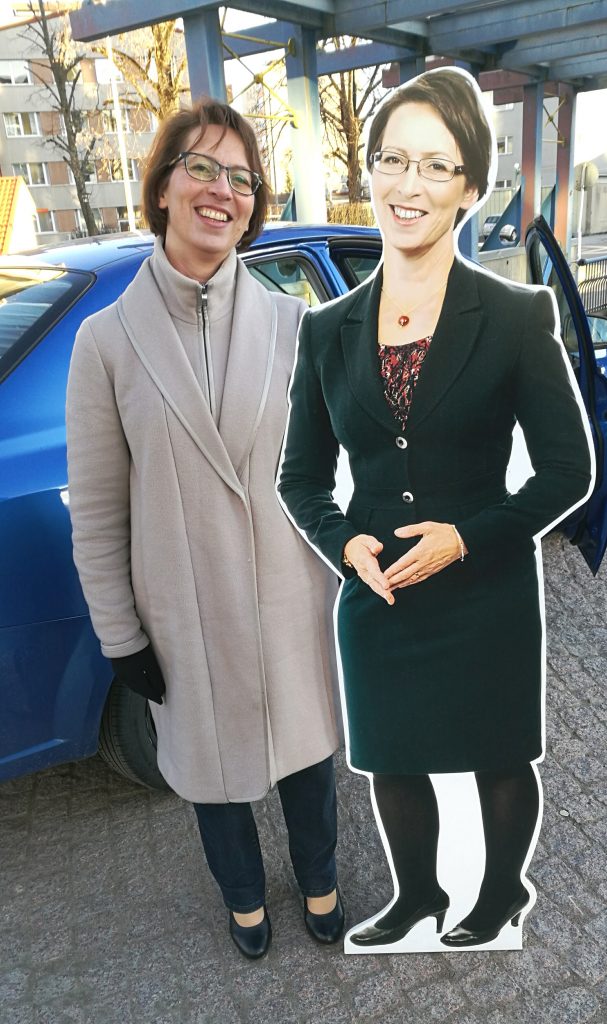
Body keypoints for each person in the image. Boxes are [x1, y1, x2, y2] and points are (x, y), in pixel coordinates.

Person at [278, 68, 593, 949]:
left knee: (498, 752)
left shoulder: (515, 315)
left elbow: (568, 470)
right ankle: (416, 895)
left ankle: (498, 894)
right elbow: (300, 477)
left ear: (467, 187)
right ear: (370, 172)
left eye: (434, 165)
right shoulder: (324, 330)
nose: (407, 184)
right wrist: (345, 545)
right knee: (393, 754)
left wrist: (466, 538)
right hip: (379, 596)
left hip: (484, 587)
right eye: (391, 160)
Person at [66, 99, 344, 960]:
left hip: (289, 600)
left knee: (307, 761)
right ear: (161, 188)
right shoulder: (105, 342)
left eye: (242, 178)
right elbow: (100, 512)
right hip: (186, 613)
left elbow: (335, 475)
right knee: (214, 778)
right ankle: (243, 899)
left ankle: (321, 879)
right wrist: (120, 635)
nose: (223, 190)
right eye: (201, 167)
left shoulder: (295, 327)